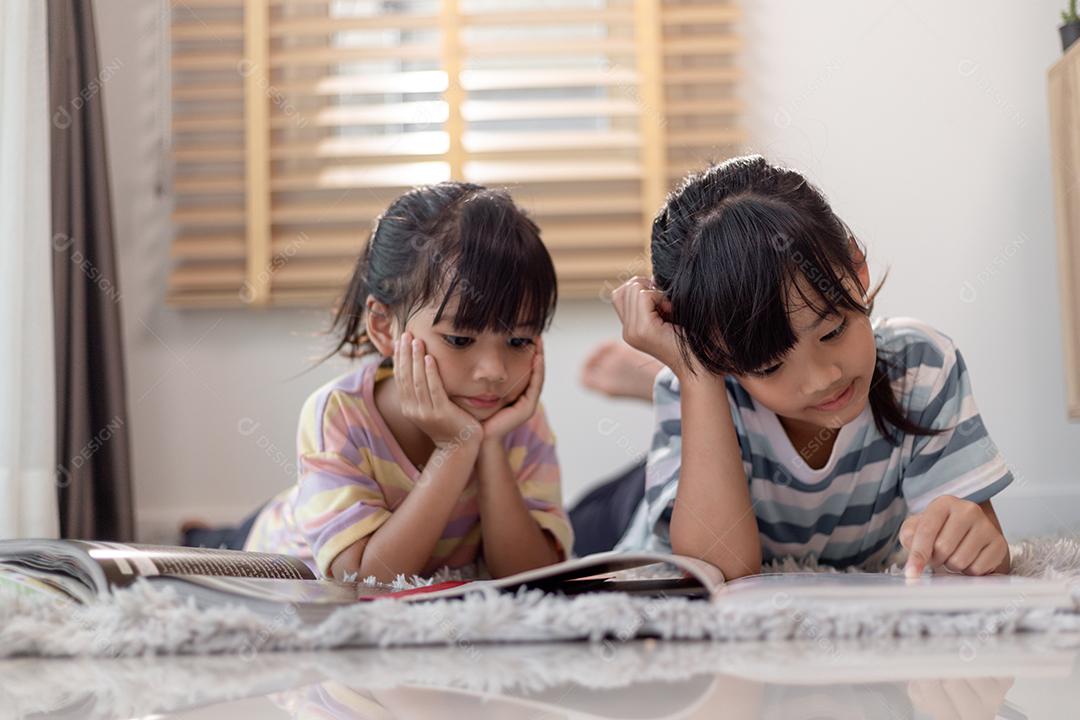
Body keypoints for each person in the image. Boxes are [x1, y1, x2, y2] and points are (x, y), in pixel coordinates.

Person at [612, 155, 1014, 581]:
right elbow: (720, 570)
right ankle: (628, 380)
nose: (824, 378)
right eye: (769, 366)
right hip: (635, 524)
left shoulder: (922, 367)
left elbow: (986, 551)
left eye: (833, 331)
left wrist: (974, 543)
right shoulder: (690, 383)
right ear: (717, 356)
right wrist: (695, 369)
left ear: (857, 268)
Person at [241, 182, 573, 581]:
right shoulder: (339, 415)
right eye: (459, 340)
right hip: (280, 555)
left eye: (518, 341)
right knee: (211, 545)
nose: (494, 371)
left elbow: (532, 579)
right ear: (383, 326)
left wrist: (488, 447)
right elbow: (364, 581)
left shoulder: (517, 420)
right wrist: (454, 447)